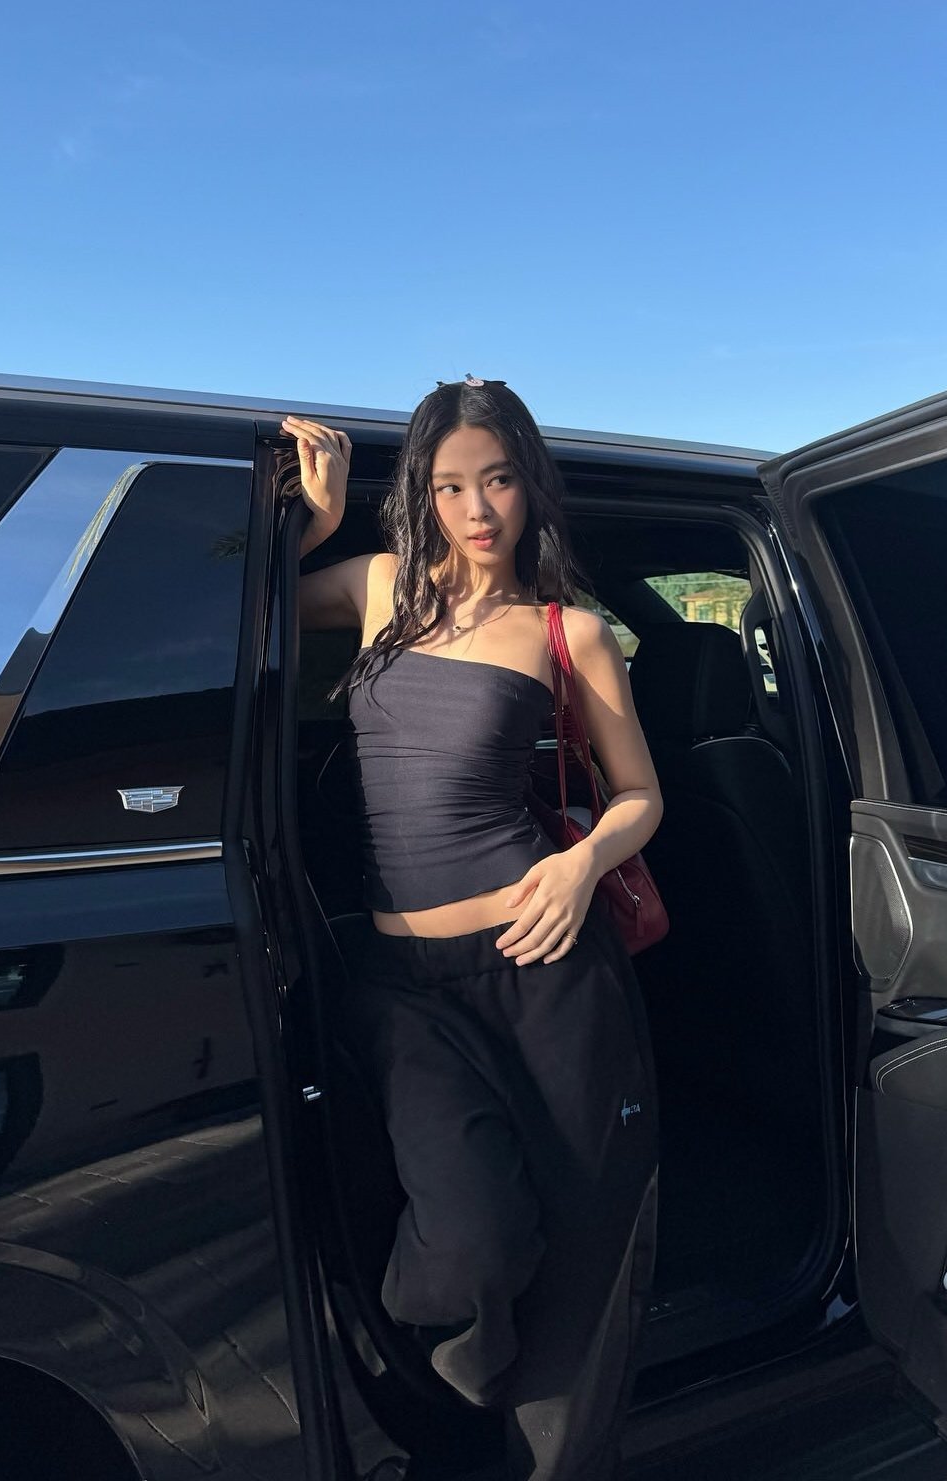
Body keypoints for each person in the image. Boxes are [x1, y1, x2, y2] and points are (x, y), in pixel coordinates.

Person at [288, 376, 661, 1481]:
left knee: (586, 1234)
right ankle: (446, 1415)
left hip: (543, 965)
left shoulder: (568, 629)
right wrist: (313, 523)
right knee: (470, 1243)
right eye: (450, 485)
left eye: (496, 479)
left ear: (528, 484)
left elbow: (640, 795)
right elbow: (243, 613)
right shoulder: (379, 587)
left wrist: (583, 864)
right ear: (422, 493)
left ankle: (550, 1461)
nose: (477, 508)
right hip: (403, 983)